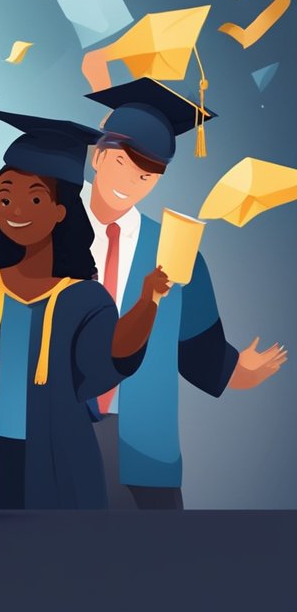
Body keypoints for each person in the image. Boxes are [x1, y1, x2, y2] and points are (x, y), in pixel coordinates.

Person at [0, 111, 171, 509]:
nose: (15, 209)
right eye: (5, 196)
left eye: (35, 197)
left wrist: (148, 302)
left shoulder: (84, 299)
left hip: (59, 457)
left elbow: (112, 355)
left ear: (60, 211)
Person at [83, 79, 286, 508]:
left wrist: (232, 370)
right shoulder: (51, 228)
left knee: (153, 560)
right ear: (99, 156)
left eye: (146, 175)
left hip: (141, 436)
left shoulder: (175, 247)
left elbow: (195, 341)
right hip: (59, 425)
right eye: (121, 163)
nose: (131, 182)